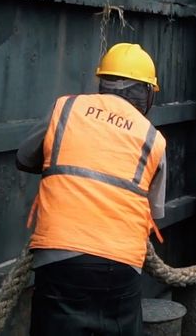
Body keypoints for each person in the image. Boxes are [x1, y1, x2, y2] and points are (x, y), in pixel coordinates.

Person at [16, 43, 167, 336]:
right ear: (148, 93)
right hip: (122, 264)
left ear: (102, 81)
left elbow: (24, 158)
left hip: (60, 256)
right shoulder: (154, 138)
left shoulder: (66, 108)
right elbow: (154, 211)